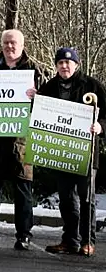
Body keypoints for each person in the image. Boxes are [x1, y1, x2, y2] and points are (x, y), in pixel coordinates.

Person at [0, 29, 46, 250]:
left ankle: (24, 235)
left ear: (22, 44)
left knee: (23, 190)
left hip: (22, 141)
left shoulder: (35, 71)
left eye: (13, 43)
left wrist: (38, 97)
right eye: (6, 43)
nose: (9, 47)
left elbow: (49, 103)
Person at [38, 48, 105, 257]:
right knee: (66, 199)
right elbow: (39, 114)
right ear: (56, 66)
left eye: (68, 63)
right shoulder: (49, 87)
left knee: (87, 199)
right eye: (60, 63)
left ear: (76, 64)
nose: (64, 66)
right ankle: (70, 240)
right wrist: (33, 98)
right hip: (61, 152)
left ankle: (88, 241)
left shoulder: (91, 85)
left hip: (85, 153)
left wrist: (100, 127)